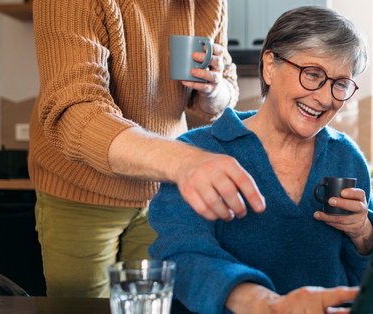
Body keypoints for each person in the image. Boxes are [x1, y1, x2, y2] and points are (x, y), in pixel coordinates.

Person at [149, 6, 373, 314]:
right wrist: (268, 304)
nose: (325, 97)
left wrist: (365, 233)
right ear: (270, 66)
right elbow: (180, 256)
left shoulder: (345, 156)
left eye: (340, 83)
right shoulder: (197, 152)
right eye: (313, 74)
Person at [29, 0, 266, 297]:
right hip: (80, 188)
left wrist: (212, 91)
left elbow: (226, 88)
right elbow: (76, 109)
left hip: (161, 194)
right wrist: (181, 161)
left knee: (152, 303)